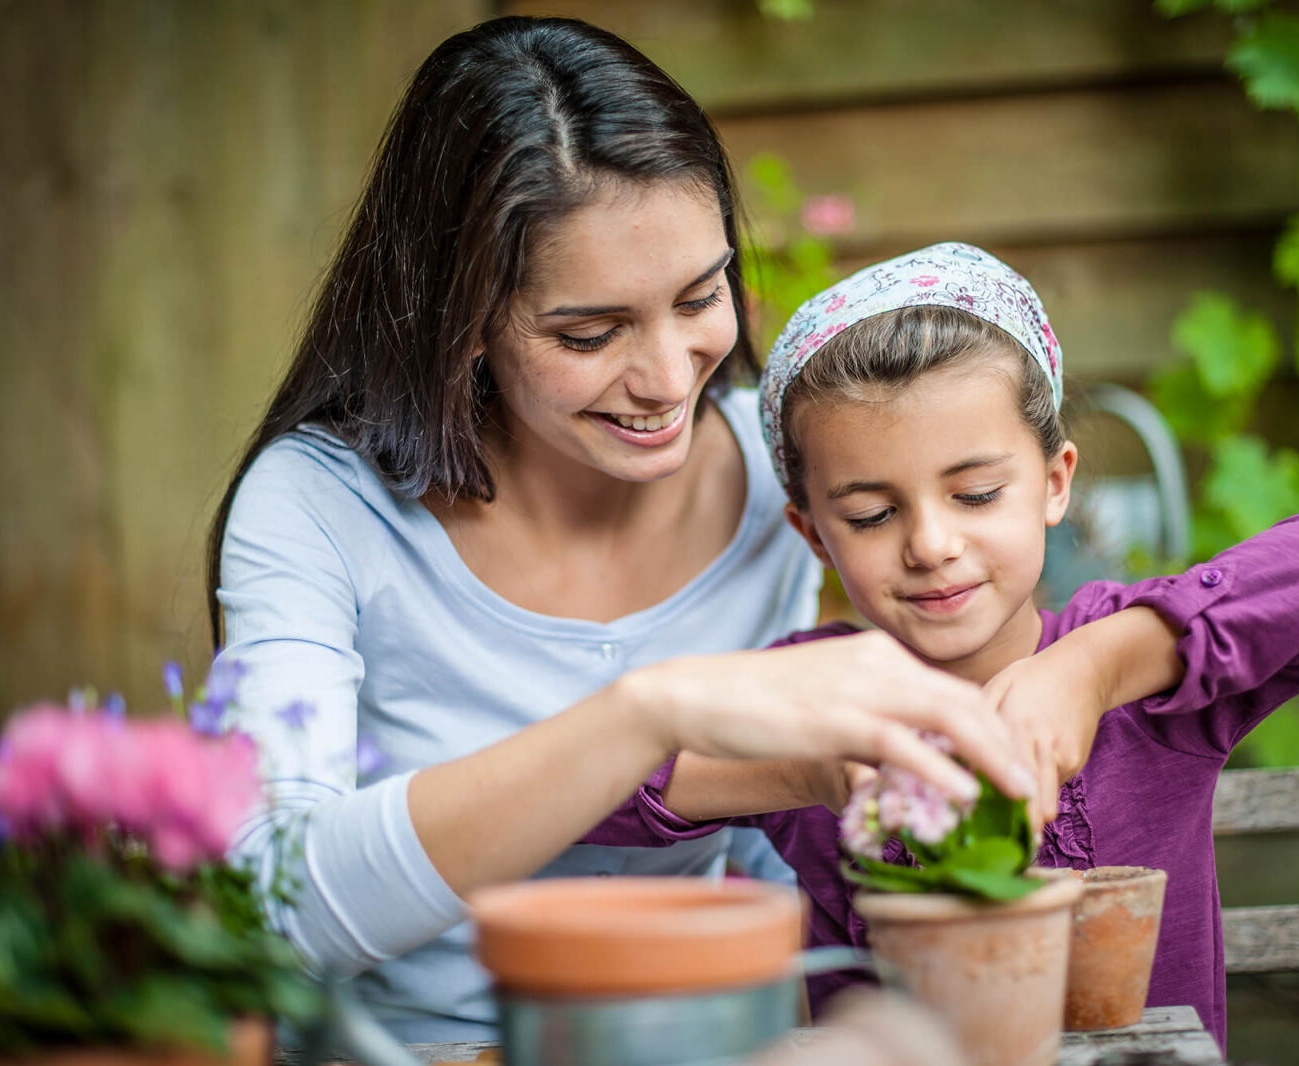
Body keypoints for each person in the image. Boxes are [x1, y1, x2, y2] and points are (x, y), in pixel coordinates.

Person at [206, 20, 1033, 1043]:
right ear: (458, 321)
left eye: (699, 297)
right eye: (588, 333)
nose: (668, 377)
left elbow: (772, 860)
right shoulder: (319, 510)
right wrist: (647, 712)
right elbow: (269, 907)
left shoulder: (778, 468)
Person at [592, 242, 1299, 1048]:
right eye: (872, 516)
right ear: (813, 535)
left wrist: (1097, 669)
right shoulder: (817, 695)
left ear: (1055, 483)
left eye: (977, 493)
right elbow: (590, 783)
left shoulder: (1144, 681)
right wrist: (805, 765)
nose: (930, 545)